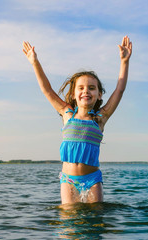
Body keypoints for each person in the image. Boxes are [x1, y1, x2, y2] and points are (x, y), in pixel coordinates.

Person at [22, 36, 132, 204]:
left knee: (96, 221)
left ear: (99, 94)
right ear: (74, 93)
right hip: (69, 180)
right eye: (81, 88)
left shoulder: (100, 118)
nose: (86, 91)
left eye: (92, 88)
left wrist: (124, 62)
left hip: (93, 180)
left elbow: (120, 90)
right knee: (69, 222)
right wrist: (34, 62)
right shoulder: (67, 114)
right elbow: (47, 90)